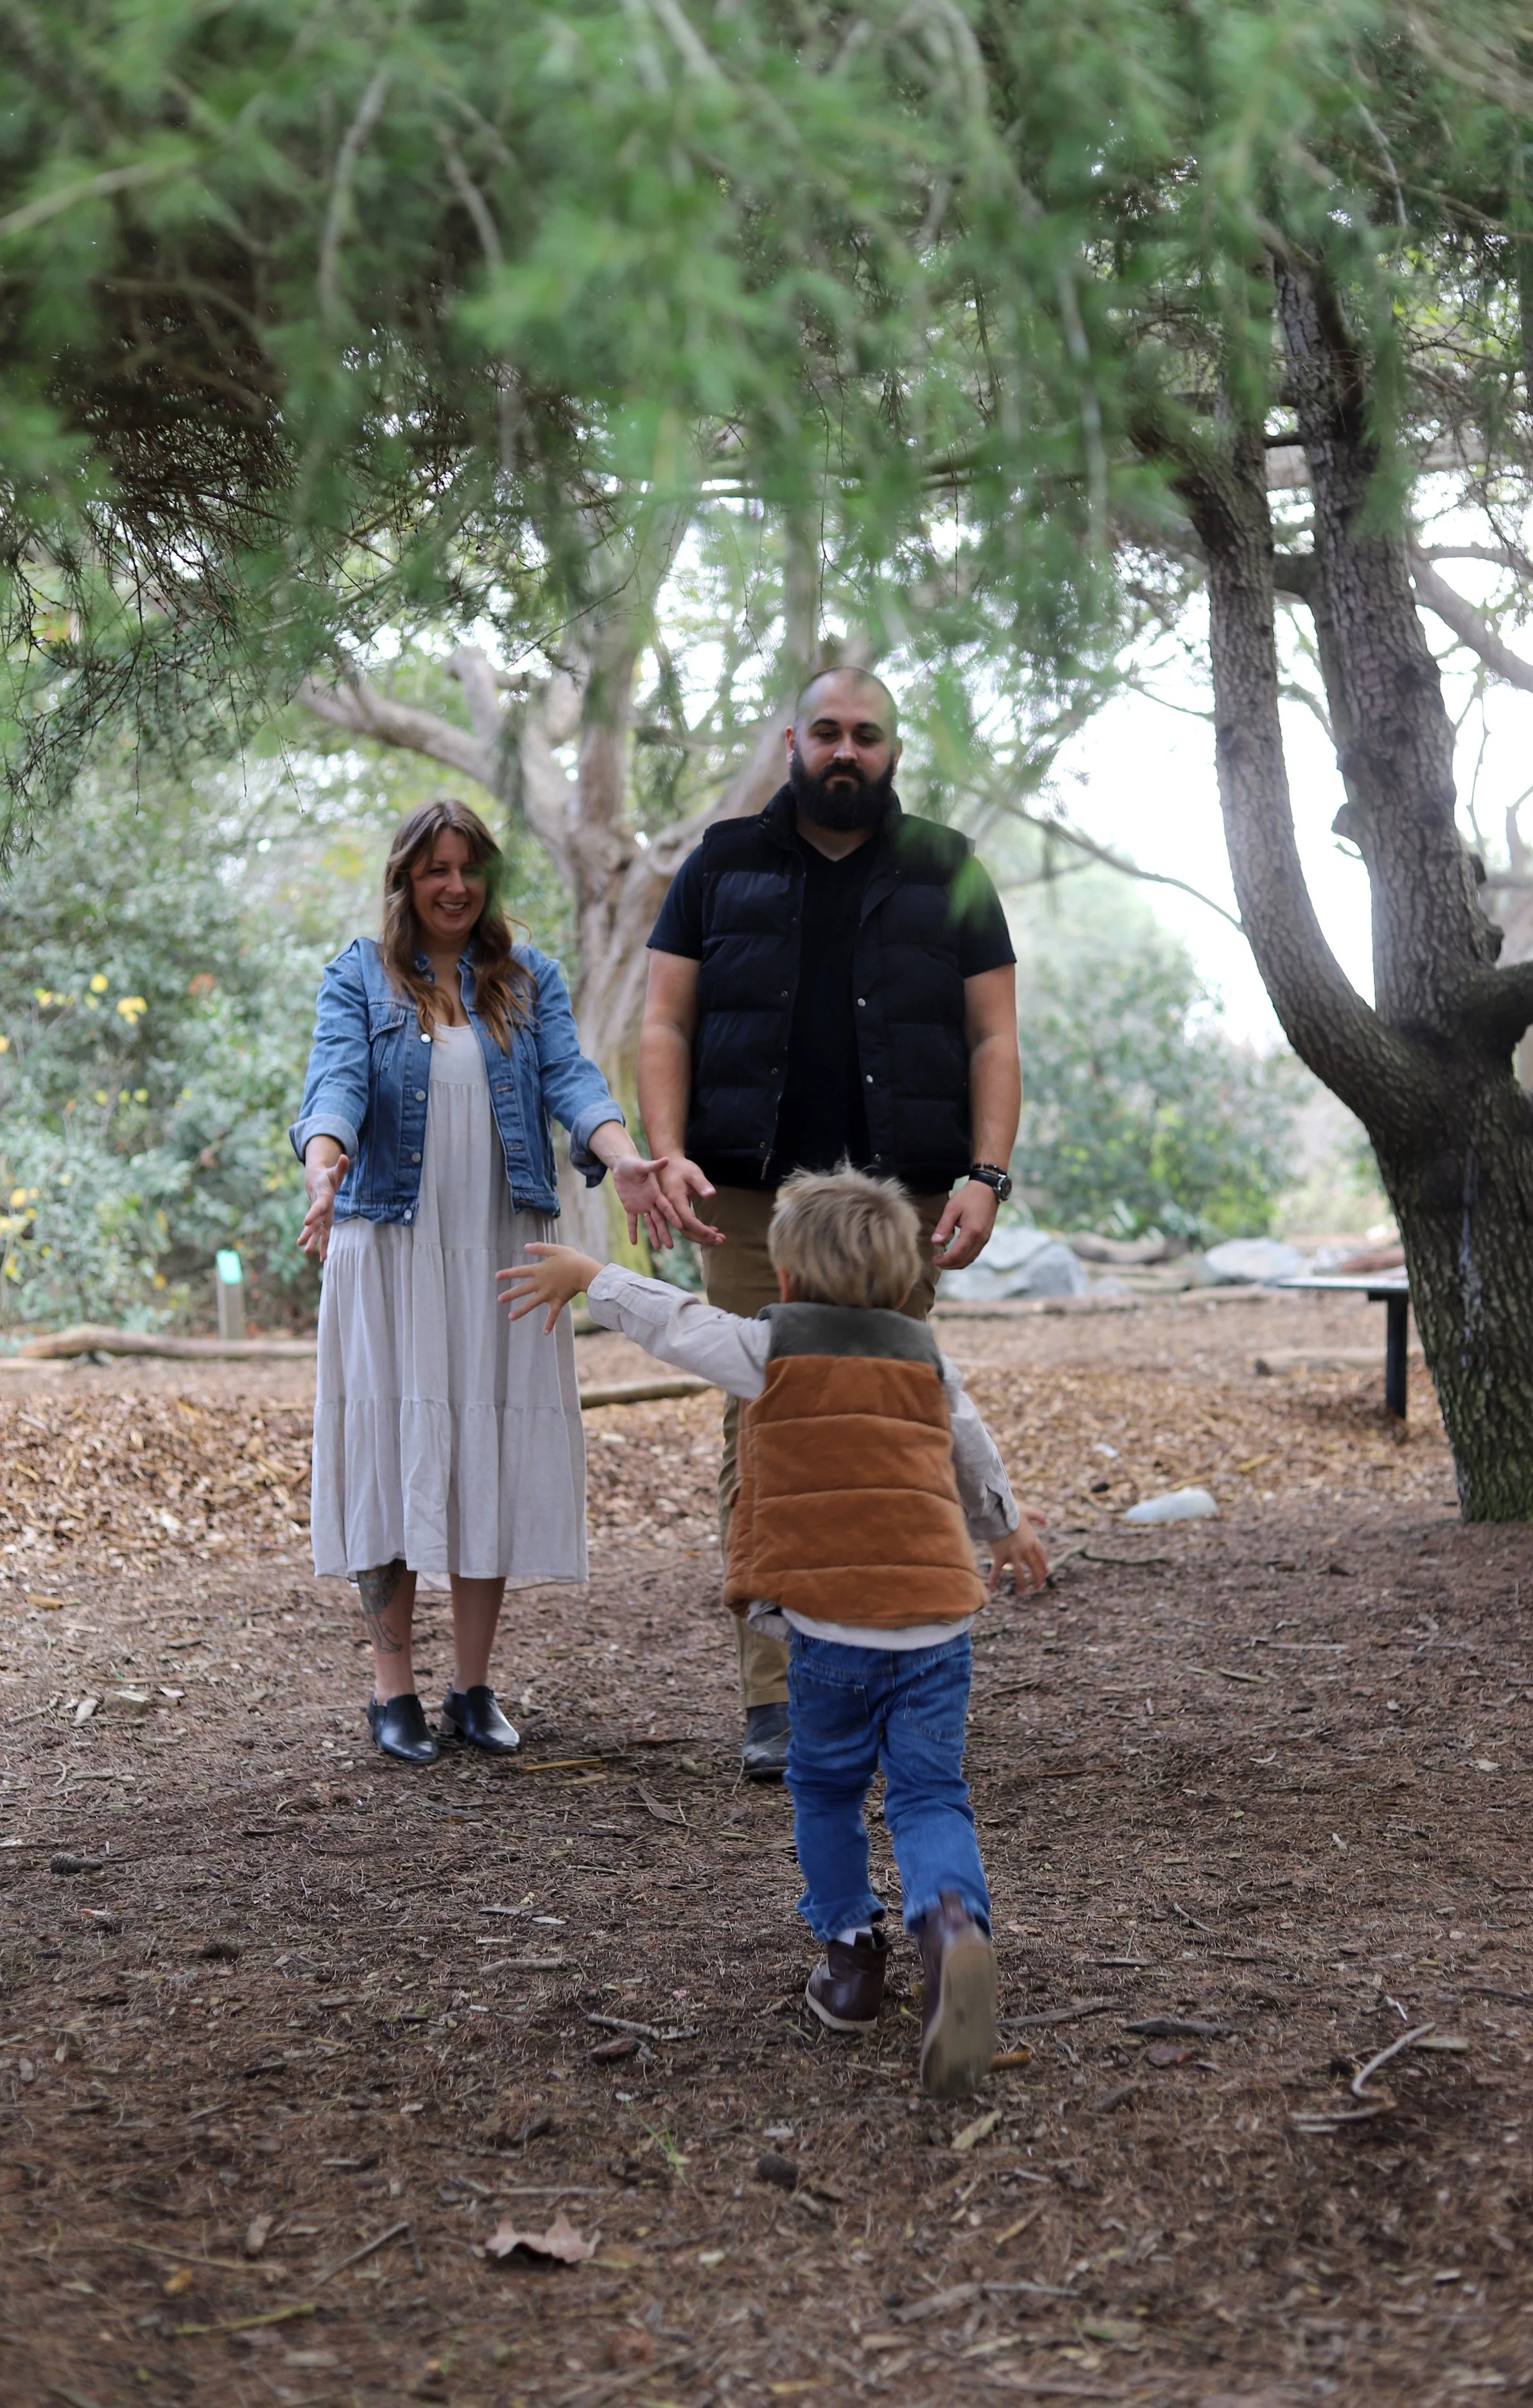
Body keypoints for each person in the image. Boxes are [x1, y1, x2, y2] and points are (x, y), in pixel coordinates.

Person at [498, 1167, 1048, 2095]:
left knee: (828, 1789)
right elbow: (971, 1449)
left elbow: (675, 1322)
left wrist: (593, 1276)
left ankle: (849, 1957)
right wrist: (1007, 1526)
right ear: (897, 1280)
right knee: (928, 1796)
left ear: (786, 1280)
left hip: (830, 1632)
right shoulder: (925, 1356)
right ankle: (953, 1928)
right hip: (934, 1624)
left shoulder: (767, 1345)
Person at [638, 665, 1021, 1779]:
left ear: (893, 750)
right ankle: (781, 1697)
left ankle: (901, 1668)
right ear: (791, 742)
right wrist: (668, 1151)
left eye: (867, 734)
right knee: (766, 1416)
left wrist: (986, 1174)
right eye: (826, 732)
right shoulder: (719, 863)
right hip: (752, 1200)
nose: (845, 751)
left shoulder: (948, 868)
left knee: (900, 1415)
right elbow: (665, 1020)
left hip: (900, 1205)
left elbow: (994, 1038)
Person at [293, 797, 675, 1768]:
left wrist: (621, 1154)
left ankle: (471, 1685)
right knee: (391, 1444)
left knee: (487, 1446)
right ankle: (394, 1690)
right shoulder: (361, 974)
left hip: (503, 1240)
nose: (455, 886)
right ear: (405, 880)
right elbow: (332, 1083)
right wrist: (324, 1162)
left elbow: (573, 1080)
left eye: (469, 868)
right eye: (435, 869)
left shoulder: (524, 976)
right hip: (391, 1245)